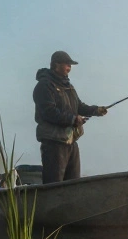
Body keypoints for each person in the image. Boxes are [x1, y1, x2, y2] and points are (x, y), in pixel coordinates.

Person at [32, 50, 108, 183]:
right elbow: (49, 112)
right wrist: (73, 119)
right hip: (53, 143)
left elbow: (79, 106)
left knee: (73, 184)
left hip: (70, 142)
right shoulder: (44, 86)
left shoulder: (69, 87)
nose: (69, 67)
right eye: (67, 64)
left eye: (70, 65)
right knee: (54, 185)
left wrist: (96, 110)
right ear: (56, 65)